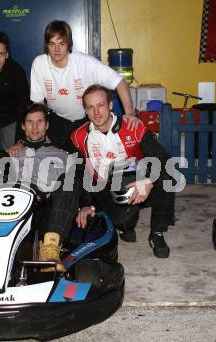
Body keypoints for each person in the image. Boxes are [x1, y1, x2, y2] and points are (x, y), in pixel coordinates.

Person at [0, 103, 80, 274]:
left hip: (40, 202)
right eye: (30, 122)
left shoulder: (63, 155)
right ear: (23, 126)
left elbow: (76, 188)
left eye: (39, 122)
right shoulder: (11, 153)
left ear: (47, 125)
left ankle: (50, 248)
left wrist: (87, 205)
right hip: (7, 195)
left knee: (70, 182)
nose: (35, 127)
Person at [72, 84, 175, 258]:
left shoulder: (132, 127)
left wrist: (148, 181)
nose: (96, 112)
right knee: (123, 219)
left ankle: (157, 233)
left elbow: (163, 157)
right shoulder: (78, 137)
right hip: (106, 184)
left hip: (137, 175)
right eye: (90, 107)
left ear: (110, 105)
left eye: (101, 105)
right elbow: (80, 173)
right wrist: (85, 204)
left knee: (168, 176)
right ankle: (126, 224)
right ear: (85, 111)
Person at [30, 20, 138, 152]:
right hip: (56, 120)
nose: (57, 49)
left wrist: (130, 114)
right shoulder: (39, 64)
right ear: (47, 45)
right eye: (52, 44)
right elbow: (38, 104)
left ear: (69, 44)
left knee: (87, 164)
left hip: (85, 120)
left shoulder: (85, 63)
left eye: (61, 44)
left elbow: (119, 82)